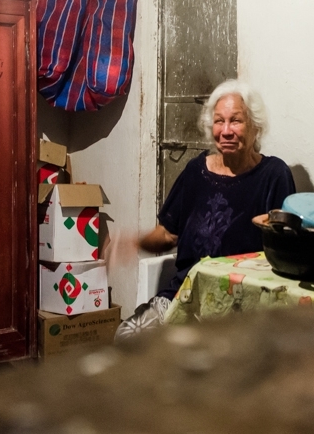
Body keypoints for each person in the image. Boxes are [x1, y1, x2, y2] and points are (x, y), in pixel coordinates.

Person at [115, 79, 296, 340]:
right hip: (185, 293)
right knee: (128, 338)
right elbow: (168, 234)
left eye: (235, 120)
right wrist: (134, 241)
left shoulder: (274, 175)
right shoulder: (195, 171)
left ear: (255, 126)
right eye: (219, 121)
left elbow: (286, 250)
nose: (226, 130)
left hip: (244, 303)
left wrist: (275, 229)